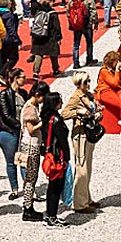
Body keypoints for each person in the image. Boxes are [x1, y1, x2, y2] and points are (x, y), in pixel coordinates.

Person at [62, 70, 102, 214]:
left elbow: (94, 109)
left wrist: (97, 114)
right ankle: (79, 203)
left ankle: (86, 198)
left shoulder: (88, 96)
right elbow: (64, 113)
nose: (88, 84)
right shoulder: (76, 97)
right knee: (82, 168)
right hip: (80, 135)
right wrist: (78, 112)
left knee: (88, 167)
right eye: (86, 82)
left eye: (89, 81)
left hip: (89, 133)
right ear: (79, 83)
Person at [0, 67, 27, 200]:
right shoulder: (4, 94)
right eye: (23, 77)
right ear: (15, 79)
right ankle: (14, 189)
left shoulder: (24, 93)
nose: (25, 80)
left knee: (25, 160)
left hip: (22, 131)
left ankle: (27, 188)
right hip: (9, 132)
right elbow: (6, 115)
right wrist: (20, 126)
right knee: (11, 162)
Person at [20, 80, 49, 221]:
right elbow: (31, 129)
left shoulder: (33, 105)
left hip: (31, 144)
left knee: (31, 178)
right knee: (31, 178)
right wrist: (42, 121)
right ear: (37, 94)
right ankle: (27, 208)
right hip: (31, 145)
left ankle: (28, 205)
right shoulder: (30, 108)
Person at [41, 91, 71, 228]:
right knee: (56, 187)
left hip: (50, 154)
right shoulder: (56, 120)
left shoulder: (45, 117)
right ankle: (52, 216)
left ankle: (50, 213)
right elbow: (62, 140)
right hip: (58, 156)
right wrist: (67, 156)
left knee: (51, 187)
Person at [95, 50, 121, 134]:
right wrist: (117, 70)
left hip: (113, 90)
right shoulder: (104, 71)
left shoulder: (110, 70)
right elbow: (115, 83)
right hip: (104, 91)